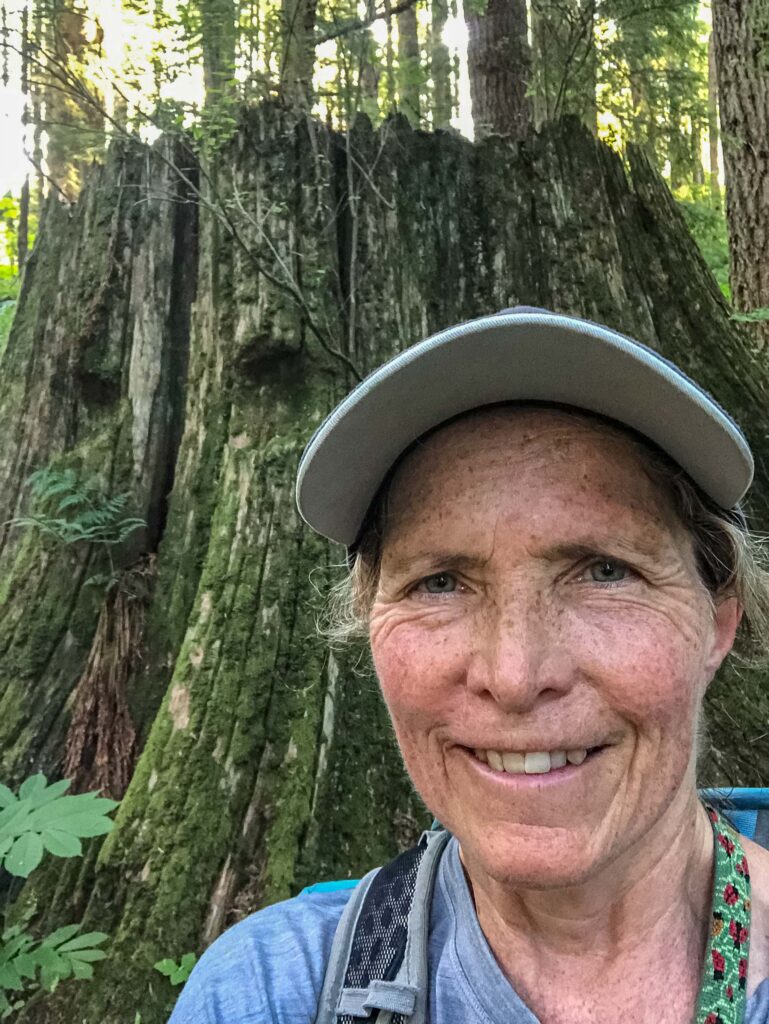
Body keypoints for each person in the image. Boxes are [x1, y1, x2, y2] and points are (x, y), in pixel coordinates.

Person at [169, 307, 769, 1024]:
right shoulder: (273, 993)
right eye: (441, 583)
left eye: (603, 572)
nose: (514, 676)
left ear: (717, 621)